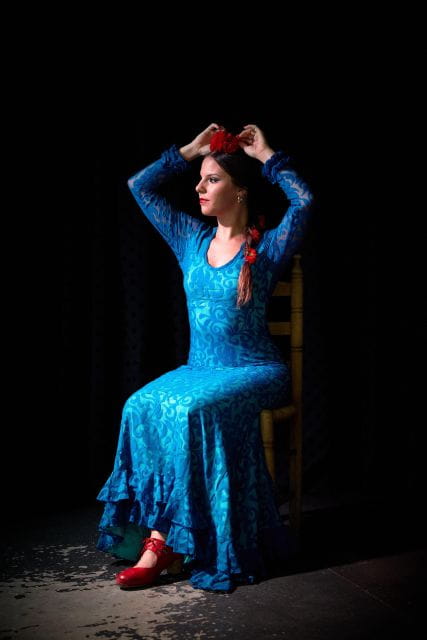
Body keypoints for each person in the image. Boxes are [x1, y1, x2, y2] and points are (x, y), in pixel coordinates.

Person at [96, 123, 313, 593]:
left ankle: (162, 546)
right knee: (138, 405)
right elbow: (139, 187)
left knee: (192, 410)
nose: (199, 187)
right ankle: (167, 537)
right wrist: (190, 151)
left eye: (212, 179)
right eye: (201, 179)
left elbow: (305, 202)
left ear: (240, 191)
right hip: (201, 369)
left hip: (255, 370)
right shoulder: (190, 239)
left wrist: (267, 156)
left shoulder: (268, 246)